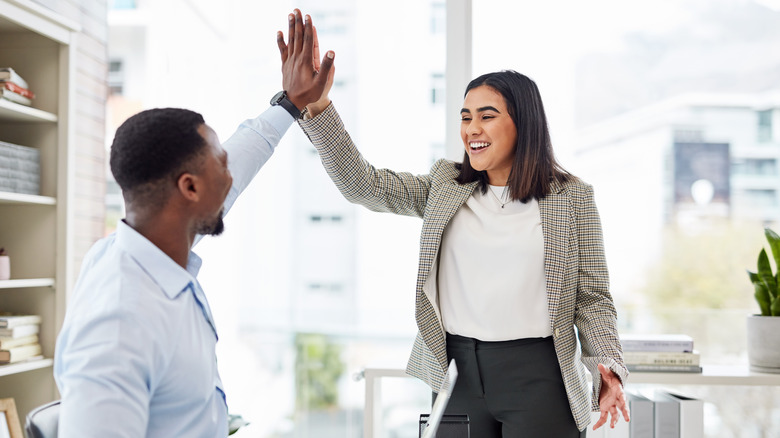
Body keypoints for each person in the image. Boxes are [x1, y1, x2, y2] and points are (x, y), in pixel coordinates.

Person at [296, 68, 630, 436]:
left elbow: (593, 297)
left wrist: (608, 366)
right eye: (466, 117)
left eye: (487, 116)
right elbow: (364, 184)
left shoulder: (572, 198)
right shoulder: (445, 185)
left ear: (525, 124)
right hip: (457, 374)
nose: (472, 129)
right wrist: (319, 104)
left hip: (541, 376)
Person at [53, 10, 333, 437]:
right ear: (189, 188)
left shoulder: (148, 256)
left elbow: (239, 159)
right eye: (219, 165)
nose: (230, 177)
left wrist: (291, 104)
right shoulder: (118, 324)